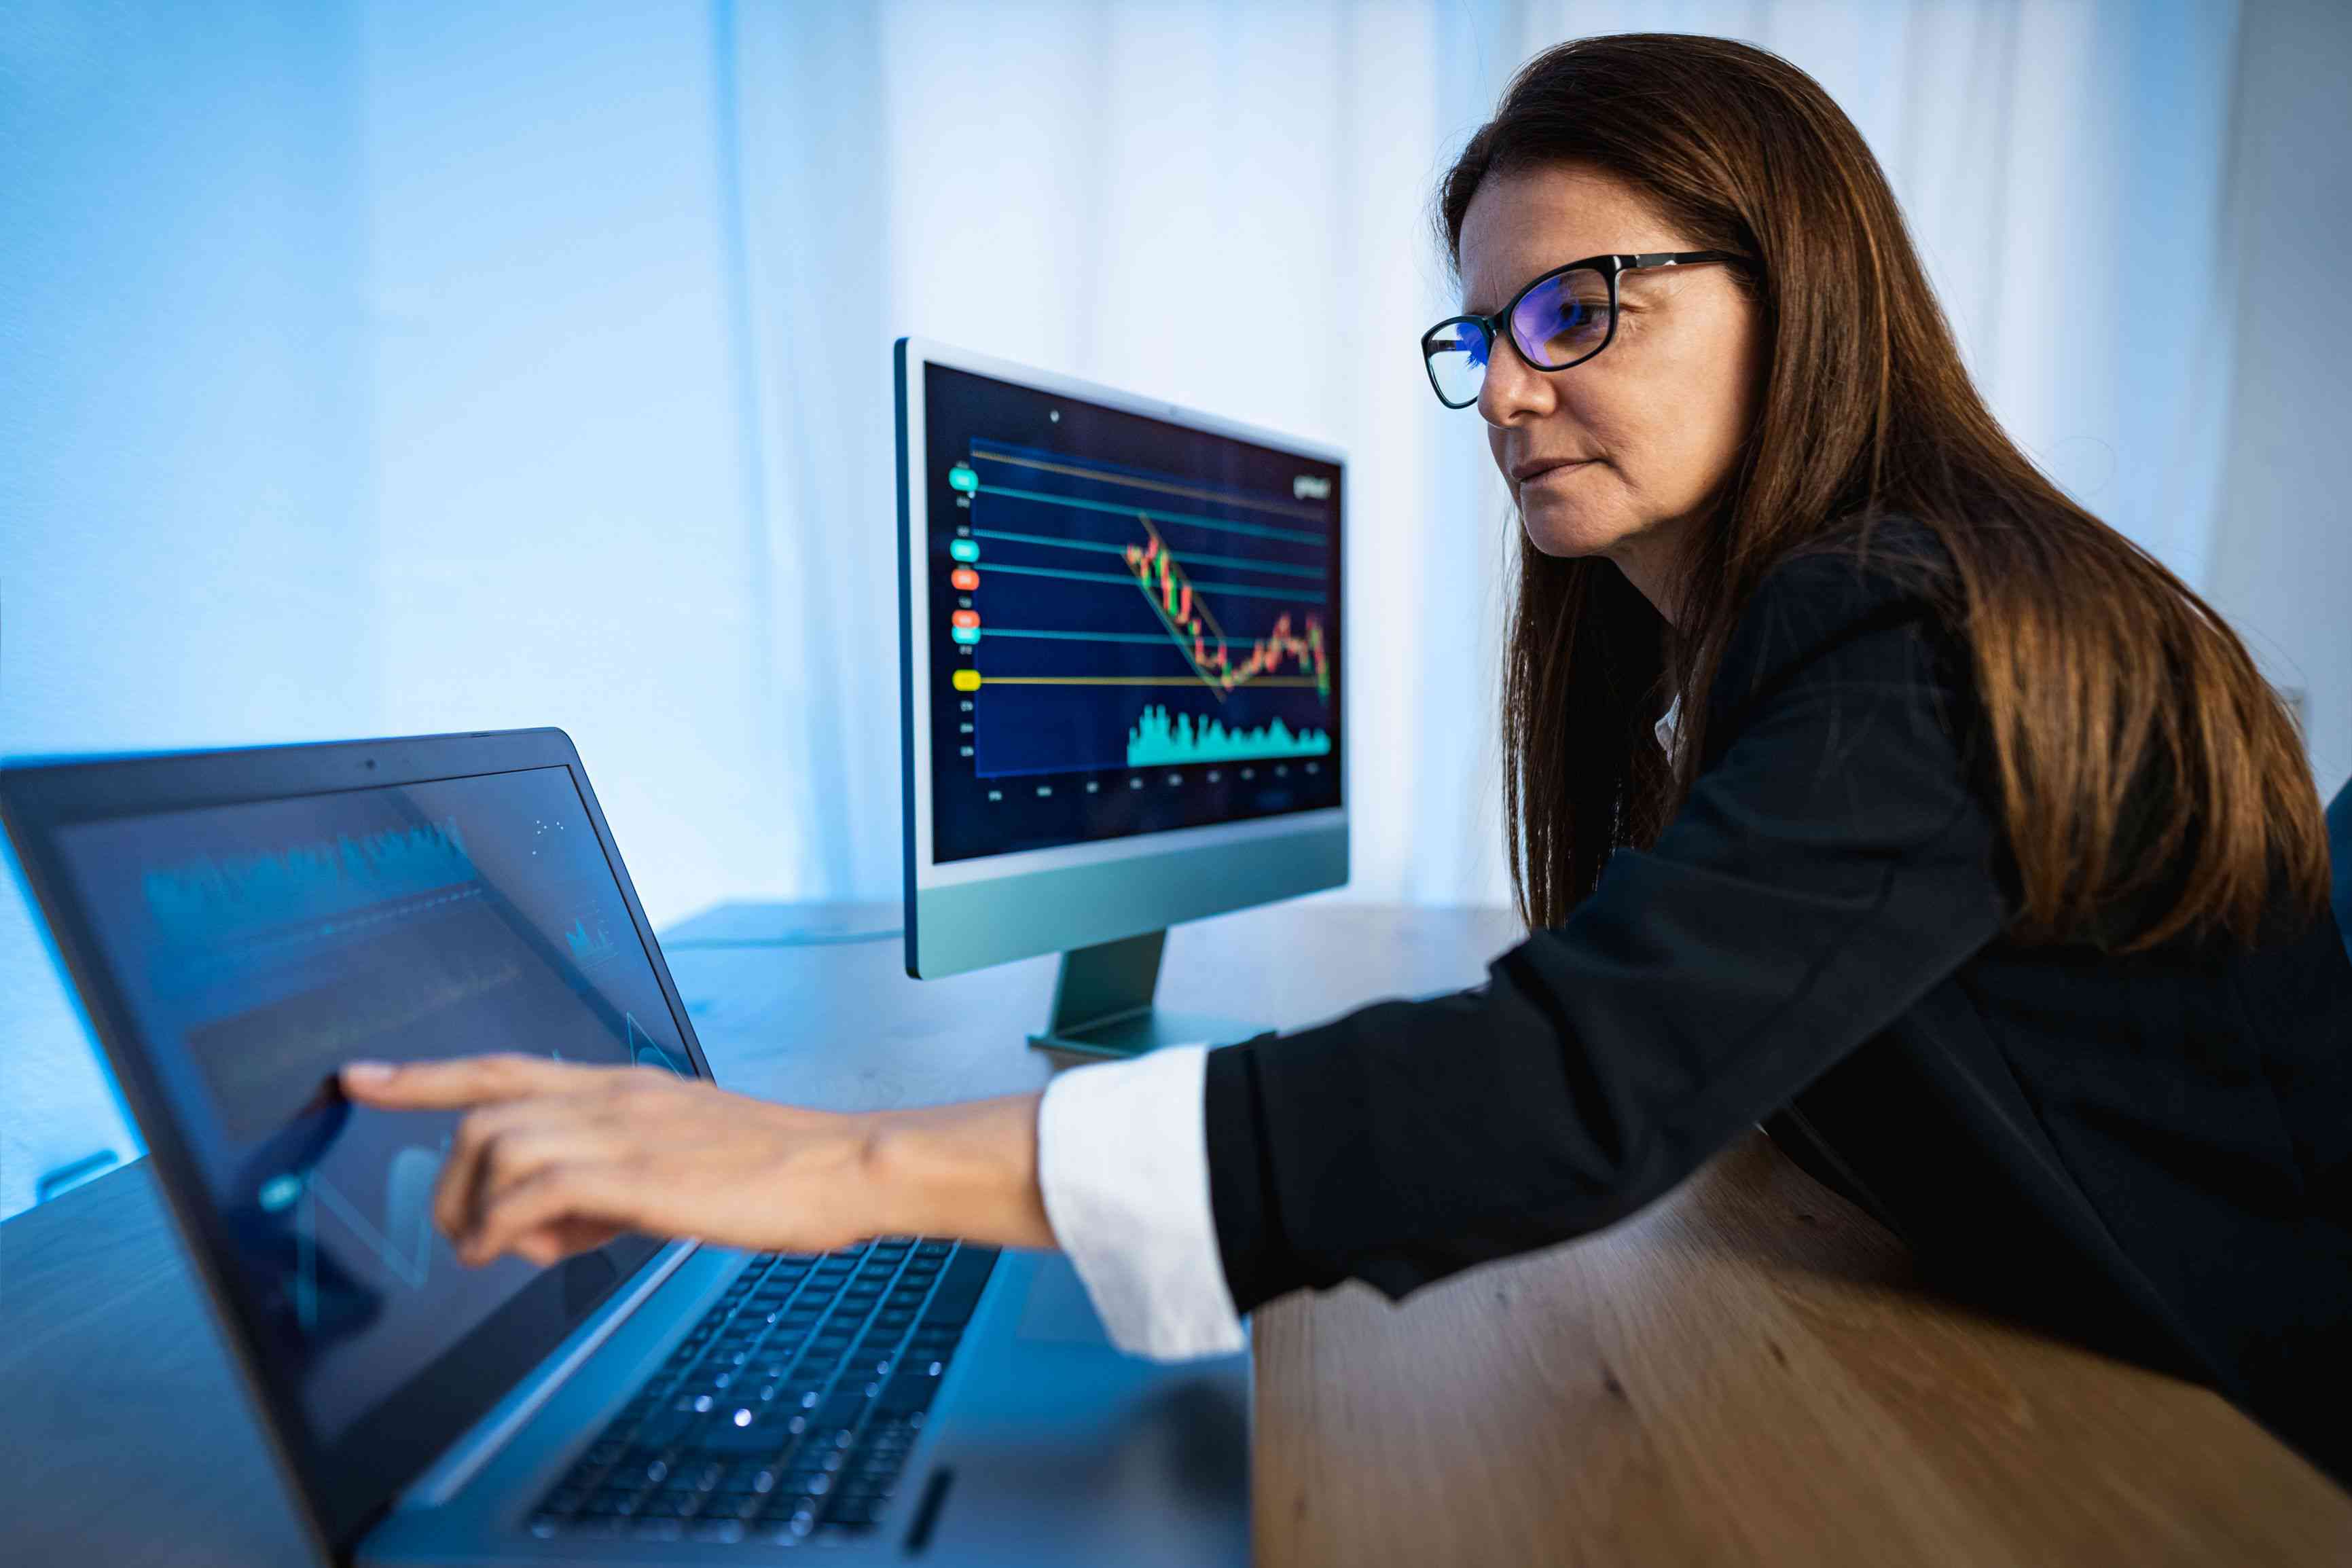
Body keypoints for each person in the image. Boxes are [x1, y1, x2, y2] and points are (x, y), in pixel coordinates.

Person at [340, 35, 2352, 1480]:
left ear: (1798, 286)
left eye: (1581, 309)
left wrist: (839, 1162)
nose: (1509, 393)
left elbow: (1574, 1088)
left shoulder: (1907, 621)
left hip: (2249, 1440)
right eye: (1484, 339)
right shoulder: (1807, 635)